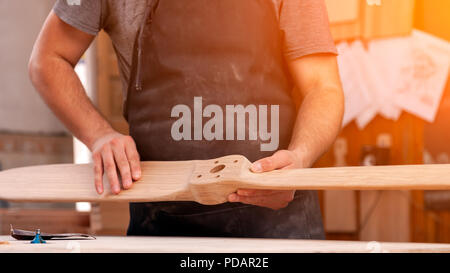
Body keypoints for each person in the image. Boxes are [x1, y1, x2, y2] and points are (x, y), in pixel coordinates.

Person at [29, 0, 344, 239]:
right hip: (162, 226)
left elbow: (323, 88)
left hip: (278, 227)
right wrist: (98, 134)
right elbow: (48, 59)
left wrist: (299, 160)